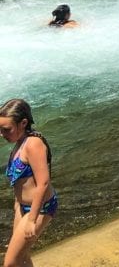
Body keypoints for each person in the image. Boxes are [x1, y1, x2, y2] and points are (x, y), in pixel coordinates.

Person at [0, 98, 57, 263]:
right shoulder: (19, 144)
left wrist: (32, 220)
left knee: (10, 263)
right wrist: (17, 206)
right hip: (22, 207)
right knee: (22, 257)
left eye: (6, 129)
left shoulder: (33, 144)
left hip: (40, 209)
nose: (2, 134)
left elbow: (43, 183)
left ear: (23, 123)